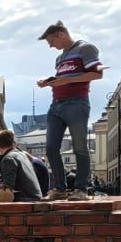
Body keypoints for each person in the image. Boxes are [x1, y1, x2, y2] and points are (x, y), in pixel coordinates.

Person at [36, 21, 103, 200]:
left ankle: (81, 189)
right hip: (56, 104)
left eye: (51, 41)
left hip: (77, 103)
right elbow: (63, 77)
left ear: (61, 35)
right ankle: (60, 188)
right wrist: (48, 82)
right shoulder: (59, 58)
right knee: (51, 148)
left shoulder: (85, 48)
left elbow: (97, 74)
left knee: (80, 147)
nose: (51, 46)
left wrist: (67, 81)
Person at [0, 131, 43, 202]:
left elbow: (7, 185)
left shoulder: (8, 158)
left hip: (25, 199)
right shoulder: (22, 155)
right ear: (13, 142)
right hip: (35, 197)